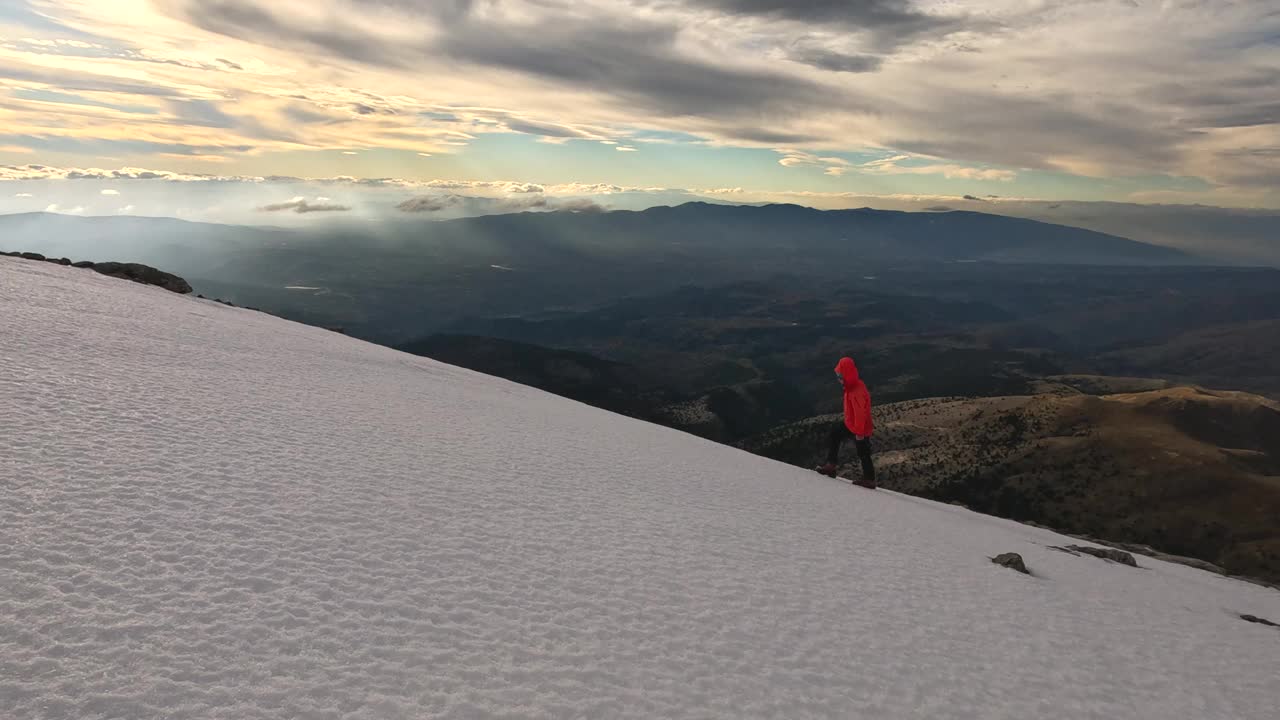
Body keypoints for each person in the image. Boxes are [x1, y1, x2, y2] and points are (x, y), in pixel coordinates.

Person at [817, 356, 876, 488]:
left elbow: (861, 413)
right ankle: (831, 465)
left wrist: (860, 433)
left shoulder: (856, 391)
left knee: (863, 452)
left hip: (859, 427)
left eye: (840, 376)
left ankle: (869, 479)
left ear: (847, 375)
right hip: (852, 424)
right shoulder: (852, 386)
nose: (838, 379)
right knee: (836, 434)